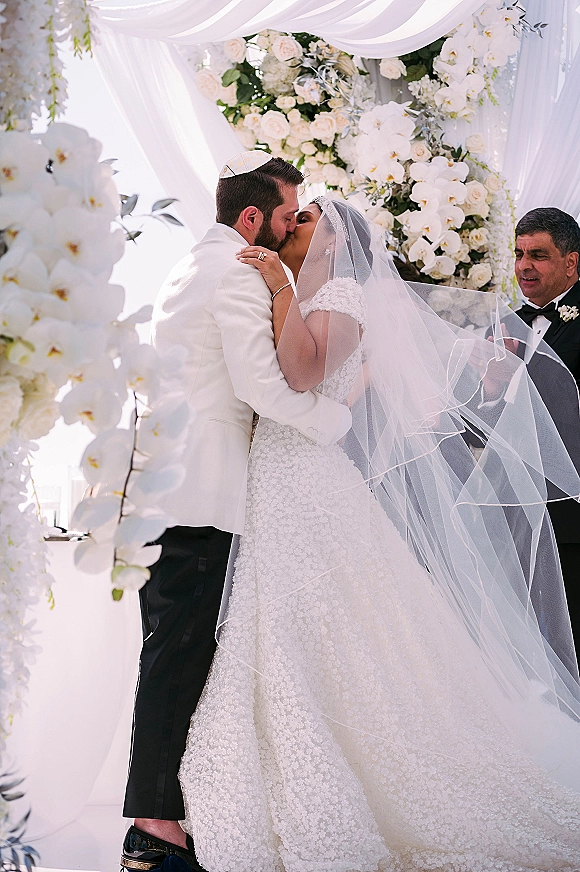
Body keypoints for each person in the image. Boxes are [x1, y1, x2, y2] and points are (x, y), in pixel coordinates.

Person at [179, 197, 580, 871]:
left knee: (317, 620)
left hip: (307, 477)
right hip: (278, 472)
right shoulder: (310, 295)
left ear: (337, 242)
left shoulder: (341, 296)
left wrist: (278, 285)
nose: (292, 225)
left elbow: (303, 375)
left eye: (307, 219)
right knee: (281, 617)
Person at [120, 156, 351, 872]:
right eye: (285, 216)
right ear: (252, 219)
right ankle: (153, 830)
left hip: (164, 486)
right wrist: (339, 423)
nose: (290, 228)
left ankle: (164, 818)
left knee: (171, 650)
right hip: (202, 490)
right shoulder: (238, 272)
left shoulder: (192, 264)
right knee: (179, 654)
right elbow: (261, 388)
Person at [514, 208, 580, 650]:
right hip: (520, 505)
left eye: (538, 255)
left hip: (571, 509)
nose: (524, 266)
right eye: (519, 254)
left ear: (571, 262)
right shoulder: (510, 321)